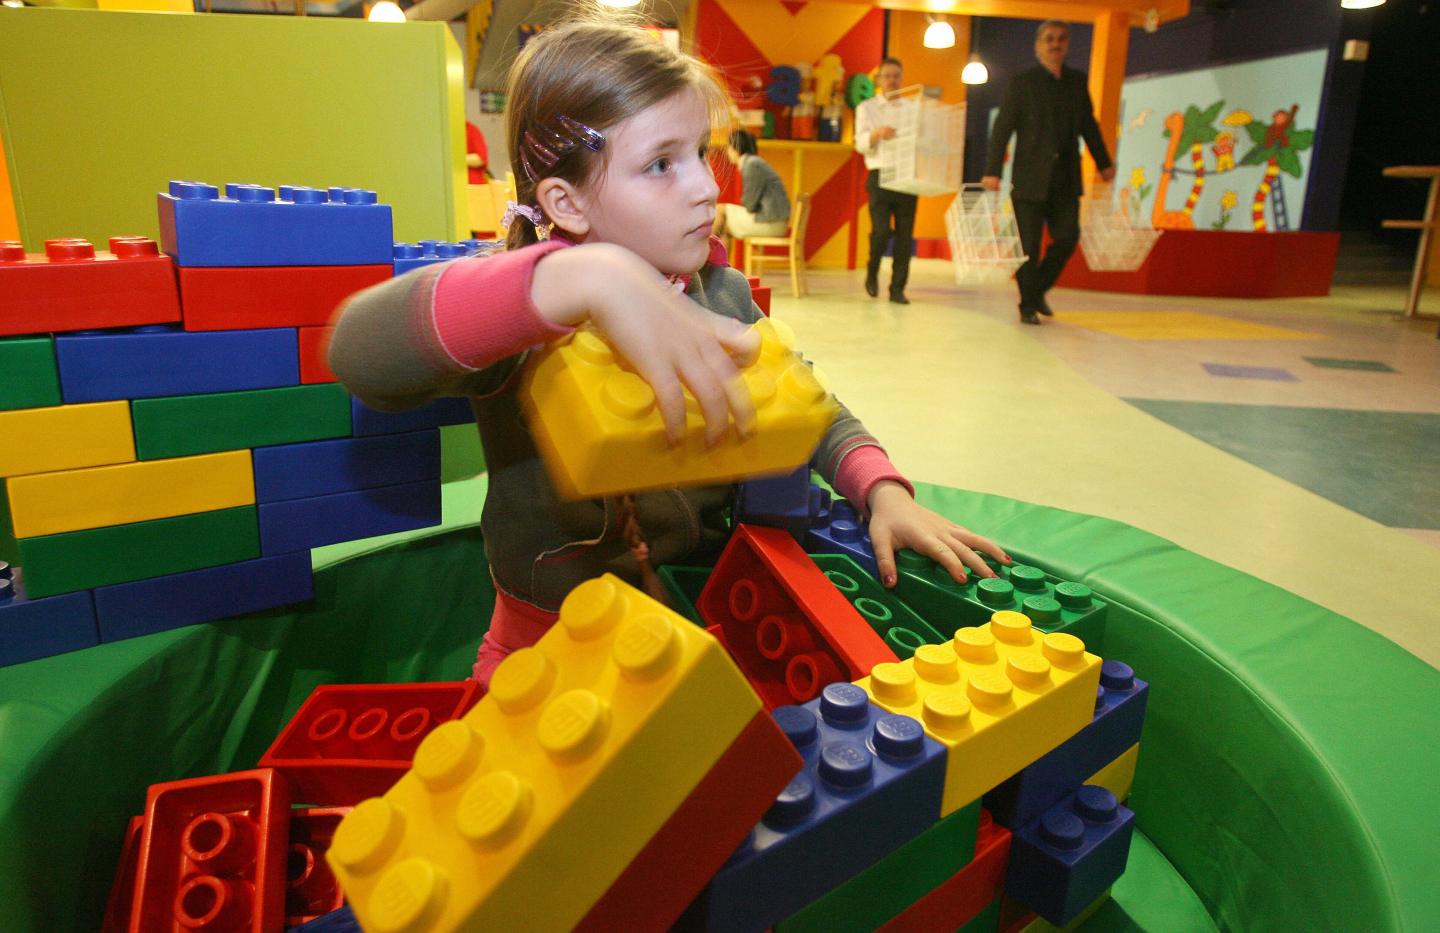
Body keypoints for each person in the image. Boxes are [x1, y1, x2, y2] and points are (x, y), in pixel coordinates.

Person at [329, 16, 1010, 688]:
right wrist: (573, 278)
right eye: (661, 163)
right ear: (564, 202)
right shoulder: (522, 321)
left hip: (700, 618)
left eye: (701, 153)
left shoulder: (721, 294)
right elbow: (359, 353)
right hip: (544, 650)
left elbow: (807, 406)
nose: (708, 187)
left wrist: (881, 488)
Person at [982, 20, 1115, 325]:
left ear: (1066, 45)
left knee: (1068, 237)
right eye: (1049, 39)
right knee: (1027, 247)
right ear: (1038, 46)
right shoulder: (1022, 83)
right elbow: (1003, 128)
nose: (1055, 44)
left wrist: (1104, 163)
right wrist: (992, 171)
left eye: (1061, 39)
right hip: (1029, 178)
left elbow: (1088, 126)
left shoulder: (1076, 83)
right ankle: (1029, 305)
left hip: (1065, 178)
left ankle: (1035, 291)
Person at [854, 57, 917, 305]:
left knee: (904, 236)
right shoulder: (866, 108)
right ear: (879, 80)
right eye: (887, 76)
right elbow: (859, 143)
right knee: (880, 232)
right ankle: (872, 273)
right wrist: (877, 134)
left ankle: (898, 288)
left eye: (896, 76)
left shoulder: (914, 109)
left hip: (907, 176)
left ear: (902, 78)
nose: (892, 80)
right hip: (879, 175)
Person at [712, 129, 789, 241]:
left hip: (771, 223)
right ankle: (716, 258)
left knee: (719, 210)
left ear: (736, 148)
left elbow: (750, 204)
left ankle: (703, 253)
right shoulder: (753, 162)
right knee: (723, 221)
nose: (727, 151)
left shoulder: (751, 165)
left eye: (728, 147)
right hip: (773, 220)